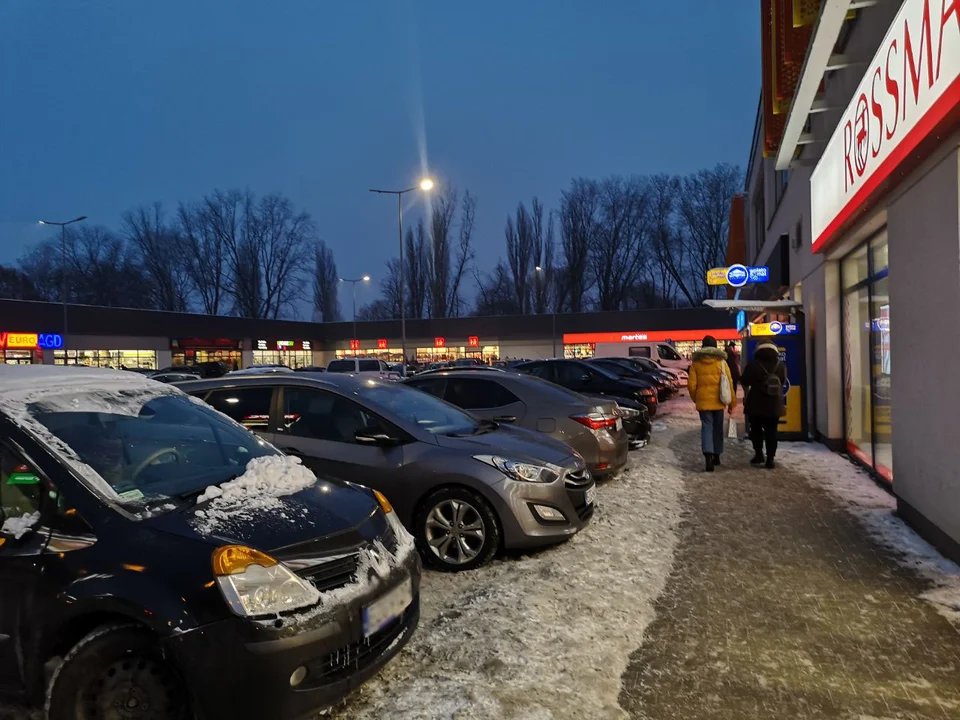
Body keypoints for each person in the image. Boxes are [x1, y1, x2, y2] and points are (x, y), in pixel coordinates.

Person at [688, 335, 737, 472]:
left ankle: (708, 456)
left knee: (706, 427)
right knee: (718, 428)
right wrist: (732, 402)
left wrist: (696, 398)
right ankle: (717, 455)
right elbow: (729, 383)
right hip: (719, 401)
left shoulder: (696, 364)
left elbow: (691, 385)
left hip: (704, 402)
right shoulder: (722, 363)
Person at [740, 341, 787, 469]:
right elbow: (782, 381)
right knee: (772, 431)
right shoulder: (780, 365)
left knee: (756, 430)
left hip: (757, 403)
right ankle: (770, 459)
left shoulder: (753, 365)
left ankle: (759, 454)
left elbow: (744, 380)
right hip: (774, 403)